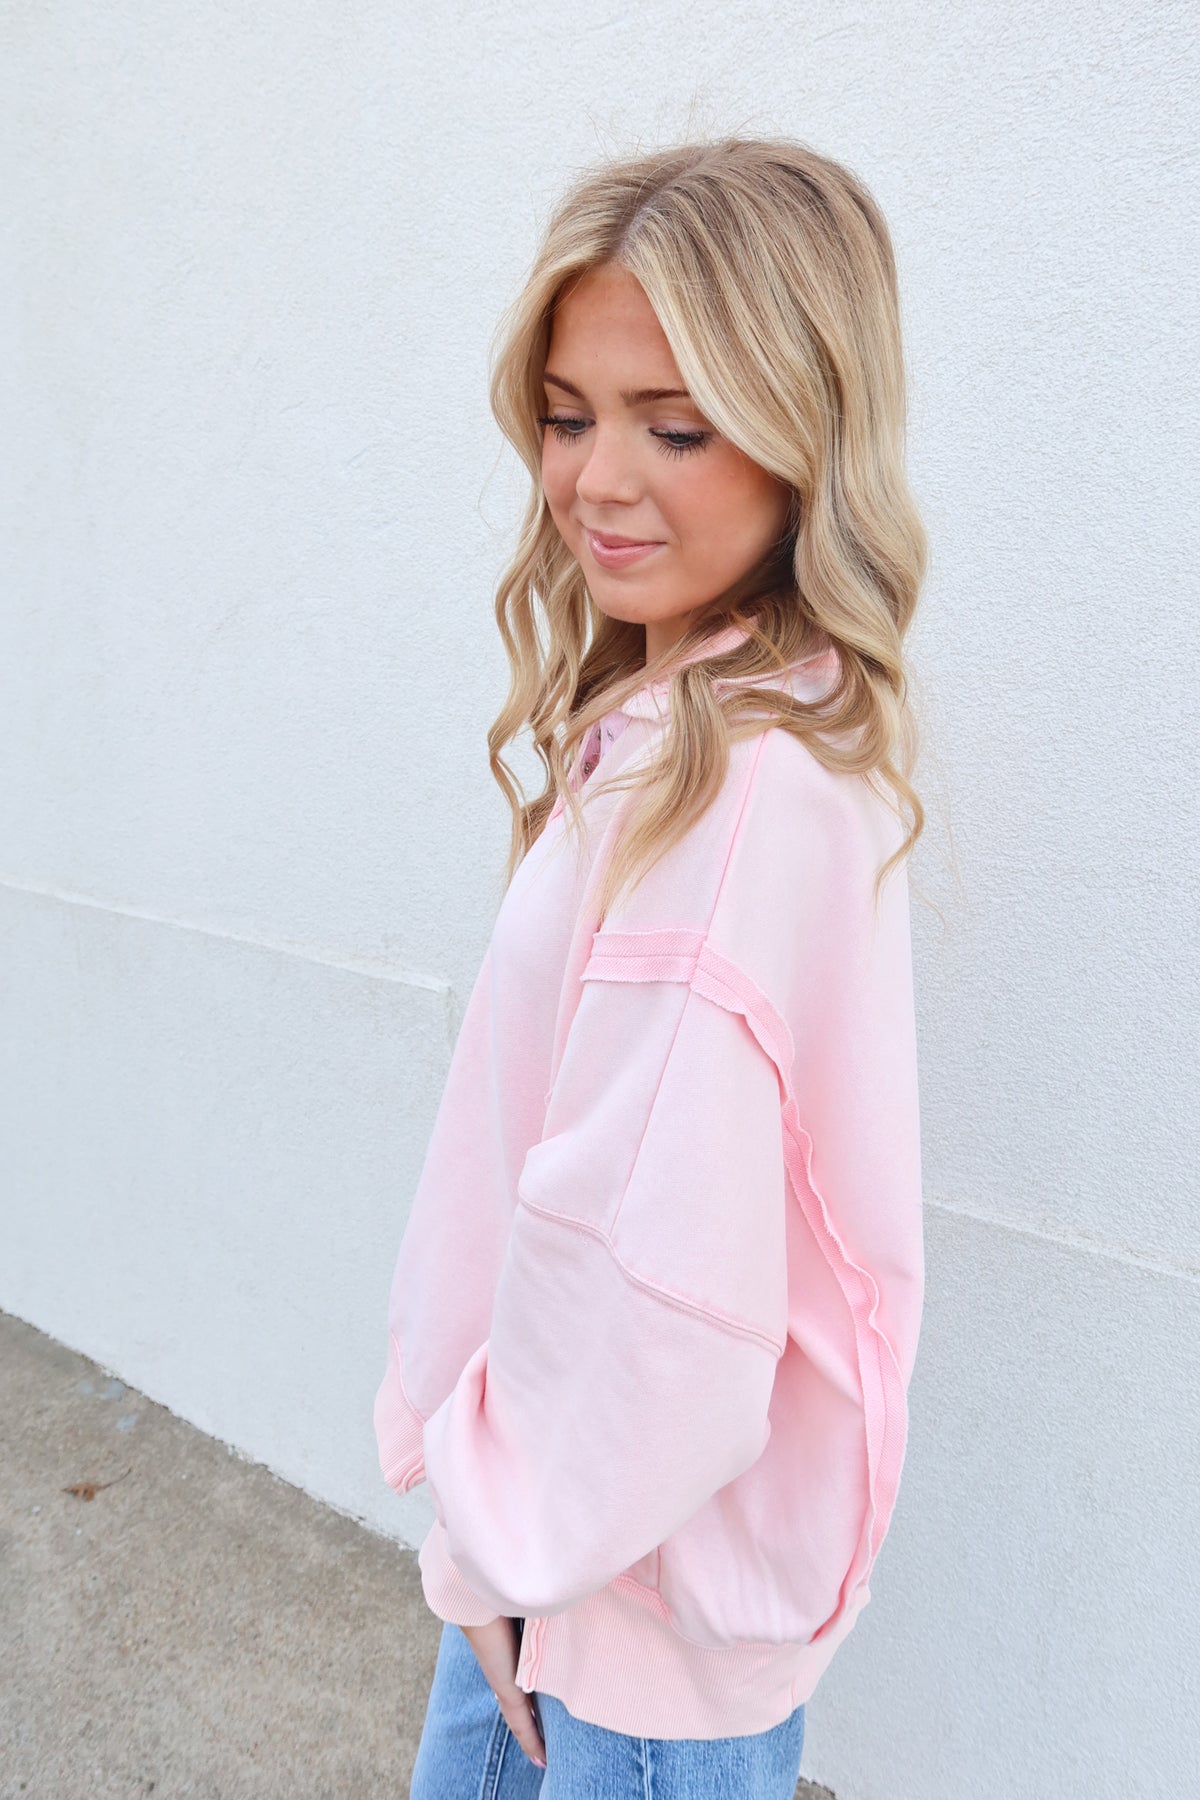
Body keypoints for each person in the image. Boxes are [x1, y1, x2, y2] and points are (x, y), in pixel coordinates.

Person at [374, 134, 928, 1798]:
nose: (595, 483)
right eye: (568, 416)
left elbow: (650, 1279)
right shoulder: (711, 723)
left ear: (805, 430)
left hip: (609, 1603)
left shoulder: (732, 788)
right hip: (600, 1567)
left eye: (673, 427)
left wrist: (494, 1546)